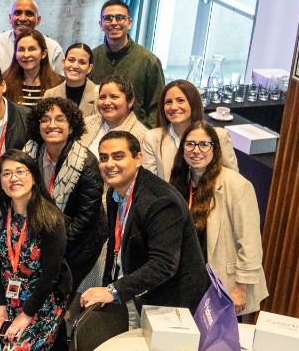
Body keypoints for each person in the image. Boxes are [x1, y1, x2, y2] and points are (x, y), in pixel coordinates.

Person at [24, 97, 106, 351]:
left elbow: (85, 218)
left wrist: (51, 249)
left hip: (80, 244)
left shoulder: (87, 163)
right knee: (37, 294)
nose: (52, 125)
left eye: (60, 119)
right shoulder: (29, 155)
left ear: (72, 126)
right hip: (44, 238)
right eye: (45, 119)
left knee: (55, 296)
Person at [80, 130, 211, 313]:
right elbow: (115, 251)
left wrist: (113, 291)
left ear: (138, 159)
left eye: (118, 157)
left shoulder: (161, 201)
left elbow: (163, 265)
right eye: (103, 158)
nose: (109, 164)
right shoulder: (114, 193)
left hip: (171, 305)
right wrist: (107, 290)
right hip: (133, 295)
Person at [0, 151, 71, 351]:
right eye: (6, 173)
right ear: (0, 181)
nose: (14, 178)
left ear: (33, 176)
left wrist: (27, 314)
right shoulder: (0, 213)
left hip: (42, 298)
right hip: (9, 295)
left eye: (20, 171)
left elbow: (50, 275)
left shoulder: (50, 218)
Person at [177, 123, 268, 314]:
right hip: (188, 282)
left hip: (224, 285)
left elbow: (250, 243)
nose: (196, 150)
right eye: (190, 144)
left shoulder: (237, 186)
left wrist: (240, 288)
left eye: (204, 144)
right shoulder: (180, 182)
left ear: (215, 149)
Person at [89, 0, 164, 127]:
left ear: (129, 23)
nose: (114, 23)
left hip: (136, 134)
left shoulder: (148, 61)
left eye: (120, 18)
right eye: (108, 18)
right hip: (97, 131)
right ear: (101, 24)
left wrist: (148, 135)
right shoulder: (92, 58)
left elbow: (157, 107)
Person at [151, 79, 238, 179]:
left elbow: (234, 179)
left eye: (180, 100)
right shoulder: (153, 138)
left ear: (194, 103)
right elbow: (149, 182)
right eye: (168, 102)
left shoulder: (219, 136)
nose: (173, 107)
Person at [85, 74, 159, 172]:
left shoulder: (143, 137)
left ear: (130, 102)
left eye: (114, 97)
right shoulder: (85, 124)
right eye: (102, 97)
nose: (106, 102)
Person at [0, 0, 64, 71]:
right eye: (17, 13)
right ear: (10, 18)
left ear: (38, 20)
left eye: (29, 14)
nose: (23, 19)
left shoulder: (53, 49)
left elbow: (62, 80)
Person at [2, 28, 64, 108]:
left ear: (44, 53)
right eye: (21, 50)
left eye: (32, 49)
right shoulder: (5, 83)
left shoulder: (59, 84)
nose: (26, 55)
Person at [43, 42, 99, 118]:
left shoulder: (98, 95)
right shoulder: (50, 95)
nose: (75, 66)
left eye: (82, 62)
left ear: (89, 68)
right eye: (71, 60)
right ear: (63, 63)